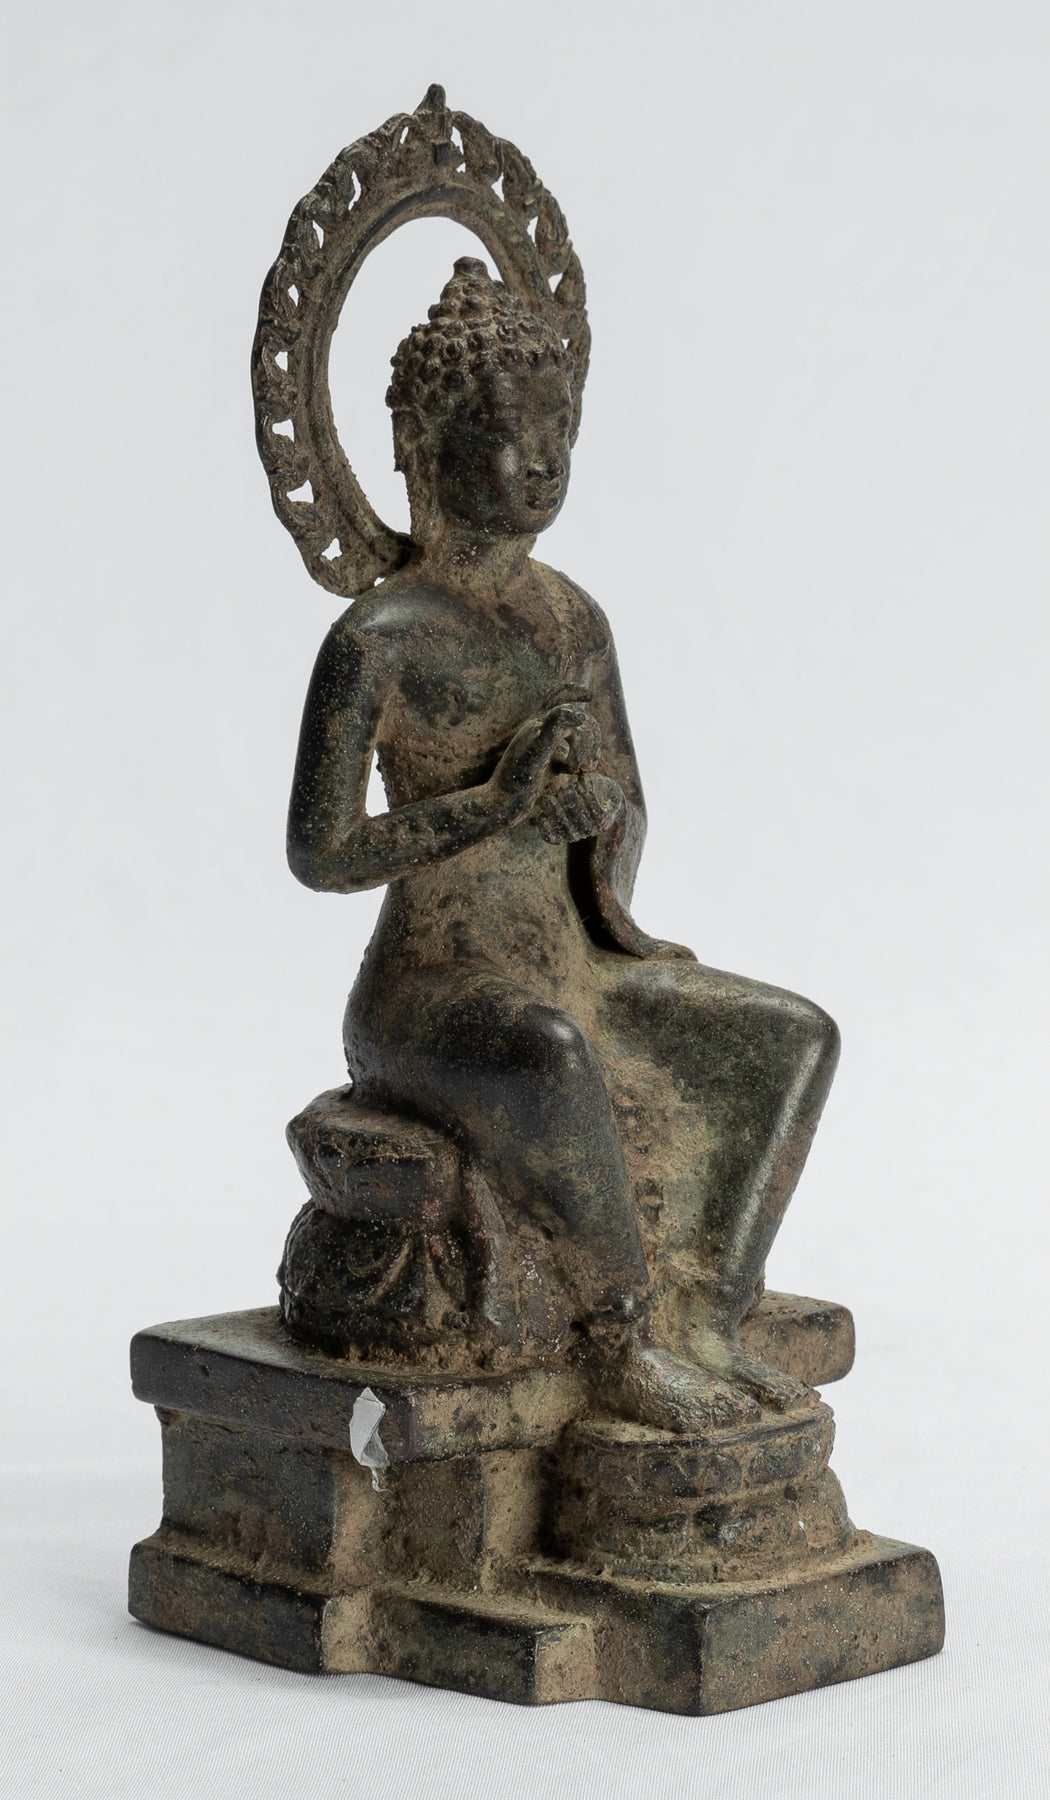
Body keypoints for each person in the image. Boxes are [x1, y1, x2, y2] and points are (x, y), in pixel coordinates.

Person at [287, 259, 839, 1433]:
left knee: (791, 1036)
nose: (542, 461)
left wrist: (599, 818)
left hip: (570, 956)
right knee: (545, 1048)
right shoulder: (380, 637)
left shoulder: (572, 618)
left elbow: (627, 804)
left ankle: (709, 1312)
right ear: (427, 444)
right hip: (434, 989)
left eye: (560, 431)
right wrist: (493, 803)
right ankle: (620, 1339)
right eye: (507, 433)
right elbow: (322, 852)